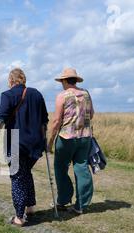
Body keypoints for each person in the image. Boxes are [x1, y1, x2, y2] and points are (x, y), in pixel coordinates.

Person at [0, 68, 49, 227]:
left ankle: (19, 216)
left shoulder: (7, 95)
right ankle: (30, 207)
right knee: (25, 173)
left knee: (17, 176)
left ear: (10, 80)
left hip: (17, 141)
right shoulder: (37, 94)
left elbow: (2, 117)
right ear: (23, 79)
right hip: (35, 143)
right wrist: (44, 139)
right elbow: (44, 119)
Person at [47, 68, 94, 215]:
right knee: (82, 168)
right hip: (85, 136)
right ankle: (81, 205)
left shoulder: (62, 96)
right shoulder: (86, 93)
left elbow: (56, 121)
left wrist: (49, 142)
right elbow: (91, 114)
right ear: (76, 80)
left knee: (60, 168)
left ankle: (63, 200)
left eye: (62, 81)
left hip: (66, 138)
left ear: (65, 81)